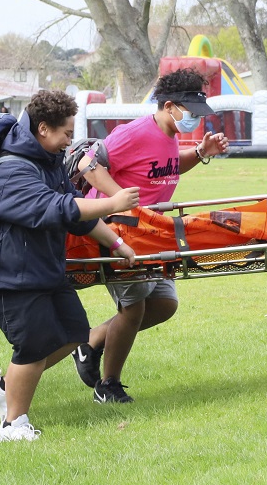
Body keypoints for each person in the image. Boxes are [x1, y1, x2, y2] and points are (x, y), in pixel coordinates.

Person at [0, 90, 141, 442]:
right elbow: (58, 208)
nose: (69, 140)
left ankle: (4, 388)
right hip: (6, 274)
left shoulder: (48, 160)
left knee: (73, 333)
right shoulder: (11, 168)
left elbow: (73, 211)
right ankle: (12, 426)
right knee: (33, 346)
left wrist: (118, 243)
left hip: (41, 269)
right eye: (65, 132)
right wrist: (112, 202)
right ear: (43, 128)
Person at [72, 68, 229, 403]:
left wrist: (200, 154)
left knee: (164, 304)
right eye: (191, 114)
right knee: (133, 309)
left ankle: (91, 341)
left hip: (152, 233)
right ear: (169, 106)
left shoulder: (169, 134)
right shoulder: (136, 132)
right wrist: (118, 201)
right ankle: (108, 386)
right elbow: (88, 164)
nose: (195, 121)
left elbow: (165, 168)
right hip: (119, 231)